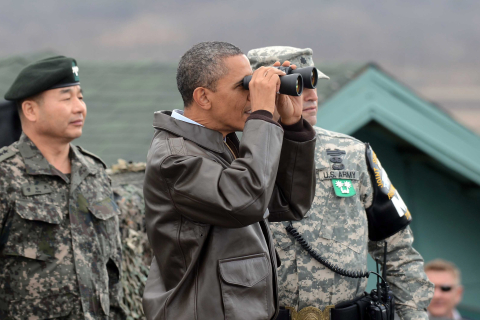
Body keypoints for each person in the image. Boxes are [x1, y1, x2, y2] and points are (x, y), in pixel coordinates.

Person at [248, 46, 434, 320]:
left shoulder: (352, 153)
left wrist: (413, 316)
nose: (311, 95)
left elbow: (398, 251)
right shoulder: (235, 155)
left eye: (312, 83)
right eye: (295, 85)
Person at [142, 41, 317, 320]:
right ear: (203, 97)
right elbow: (245, 202)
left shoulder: (223, 144)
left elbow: (288, 203)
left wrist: (293, 125)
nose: (252, 96)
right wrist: (262, 116)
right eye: (244, 86)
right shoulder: (175, 159)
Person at [0, 56, 125, 319]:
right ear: (31, 110)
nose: (79, 107)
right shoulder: (6, 176)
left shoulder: (95, 174)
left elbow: (112, 268)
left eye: (80, 97)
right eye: (66, 98)